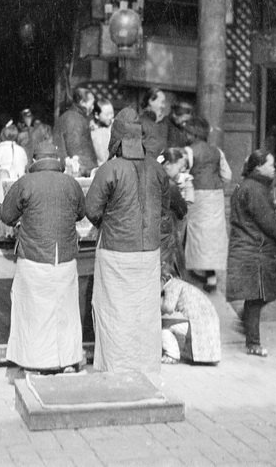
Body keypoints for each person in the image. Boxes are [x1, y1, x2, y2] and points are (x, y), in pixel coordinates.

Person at [85, 107, 170, 373]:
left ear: (116, 139)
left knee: (115, 313)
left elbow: (92, 210)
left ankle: (116, 368)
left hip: (116, 252)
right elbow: (165, 206)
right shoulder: (157, 169)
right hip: (149, 254)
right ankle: (144, 367)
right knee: (144, 315)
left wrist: (107, 225)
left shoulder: (110, 169)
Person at [0, 143, 86, 373]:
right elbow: (81, 213)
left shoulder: (25, 182)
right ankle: (67, 361)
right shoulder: (72, 183)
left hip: (33, 257)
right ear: (57, 161)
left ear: (34, 161)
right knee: (66, 313)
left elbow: (6, 215)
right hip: (65, 257)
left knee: (33, 313)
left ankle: (34, 363)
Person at [226, 149, 276, 357]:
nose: (273, 168)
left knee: (260, 296)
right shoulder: (255, 189)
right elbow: (267, 220)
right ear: (259, 167)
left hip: (250, 248)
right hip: (254, 249)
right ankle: (253, 342)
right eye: (270, 164)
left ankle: (247, 326)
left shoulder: (249, 186)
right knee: (256, 297)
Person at [184, 116, 232, 292]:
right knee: (212, 236)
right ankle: (211, 277)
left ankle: (193, 271)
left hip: (196, 195)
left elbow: (181, 173)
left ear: (192, 134)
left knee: (196, 234)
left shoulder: (189, 151)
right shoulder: (217, 151)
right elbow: (227, 176)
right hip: (216, 195)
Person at [161, 273, 221, 365]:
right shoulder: (182, 284)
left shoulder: (171, 286)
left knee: (165, 328)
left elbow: (168, 308)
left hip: (199, 324)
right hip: (209, 323)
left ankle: (172, 356)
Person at [52, 88, 97, 176]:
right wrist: (87, 171)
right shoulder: (75, 120)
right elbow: (76, 149)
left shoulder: (72, 116)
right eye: (91, 104)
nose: (93, 107)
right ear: (82, 102)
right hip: (77, 171)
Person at [160, 147, 190, 279]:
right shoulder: (169, 185)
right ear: (167, 165)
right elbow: (182, 210)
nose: (180, 172)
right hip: (166, 235)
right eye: (178, 167)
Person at [140, 87, 168, 158]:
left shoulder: (164, 124)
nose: (163, 106)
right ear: (151, 101)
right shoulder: (139, 122)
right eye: (162, 102)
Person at [90, 98, 114, 166]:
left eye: (112, 113)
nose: (110, 117)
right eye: (107, 115)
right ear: (97, 115)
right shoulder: (91, 131)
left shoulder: (115, 127)